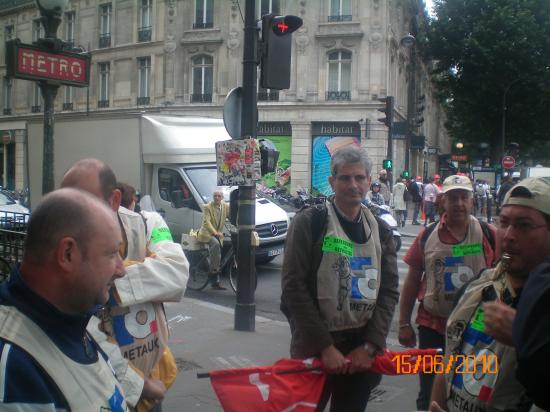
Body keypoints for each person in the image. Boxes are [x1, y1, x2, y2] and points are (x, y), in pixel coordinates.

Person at [61, 158, 189, 411]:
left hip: (154, 371)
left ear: (114, 200)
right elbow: (84, 331)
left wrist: (105, 282)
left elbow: (177, 273)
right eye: (67, 203)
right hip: (106, 386)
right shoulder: (67, 245)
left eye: (84, 202)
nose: (73, 214)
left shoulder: (148, 223)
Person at [281, 145, 399, 412]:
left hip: (360, 350)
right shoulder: (310, 222)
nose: (352, 185)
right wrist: (324, 347)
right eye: (345, 178)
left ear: (370, 181)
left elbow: (389, 290)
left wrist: (370, 347)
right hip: (315, 347)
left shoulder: (380, 230)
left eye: (359, 177)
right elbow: (293, 287)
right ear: (332, 182)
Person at [0, 188, 128, 410]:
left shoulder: (70, 316)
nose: (121, 269)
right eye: (111, 253)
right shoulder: (13, 367)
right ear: (68, 254)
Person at [430, 177, 550, 412]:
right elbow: (449, 363)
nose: (508, 235)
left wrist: (525, 336)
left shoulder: (543, 307)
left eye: (524, 225)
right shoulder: (477, 287)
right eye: (504, 222)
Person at [399, 174, 498, 411]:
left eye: (464, 197)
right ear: (442, 201)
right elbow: (412, 281)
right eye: (453, 198)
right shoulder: (426, 235)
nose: (459, 204)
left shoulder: (489, 234)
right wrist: (404, 323)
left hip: (475, 331)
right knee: (428, 390)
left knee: (471, 391)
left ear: (473, 201)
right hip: (432, 328)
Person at [197, 189, 230, 290]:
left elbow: (231, 218)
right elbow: (207, 222)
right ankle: (213, 271)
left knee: (219, 253)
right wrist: (215, 233)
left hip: (217, 234)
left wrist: (239, 226)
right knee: (215, 244)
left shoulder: (226, 206)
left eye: (219, 196)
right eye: (215, 196)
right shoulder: (207, 207)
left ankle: (215, 282)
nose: (216, 198)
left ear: (222, 198)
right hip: (206, 234)